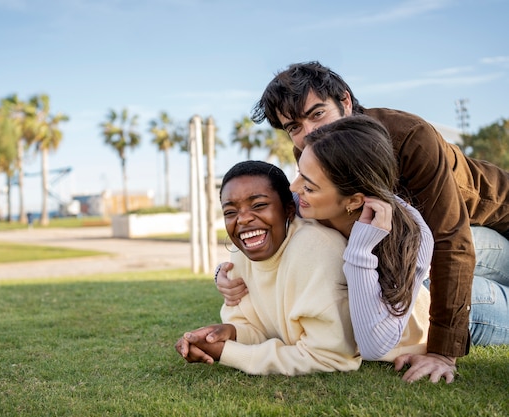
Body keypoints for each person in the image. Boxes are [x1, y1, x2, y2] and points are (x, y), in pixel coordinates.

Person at [215, 61, 509, 383]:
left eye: (317, 114)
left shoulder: (410, 137)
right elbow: (288, 220)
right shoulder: (313, 152)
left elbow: (451, 241)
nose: (308, 133)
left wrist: (442, 350)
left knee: (425, 278)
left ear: (345, 102)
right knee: (407, 276)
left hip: (490, 219)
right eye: (294, 127)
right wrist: (229, 272)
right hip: (418, 237)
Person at [175, 160, 361, 375]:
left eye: (259, 205)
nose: (243, 219)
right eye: (230, 212)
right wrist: (229, 333)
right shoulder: (240, 253)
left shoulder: (314, 248)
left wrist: (228, 353)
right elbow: (261, 330)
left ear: (289, 210)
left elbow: (332, 357)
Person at [289, 115, 434, 364]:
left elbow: (373, 346)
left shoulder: (412, 237)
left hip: (432, 304)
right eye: (299, 173)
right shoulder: (298, 203)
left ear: (354, 201)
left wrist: (361, 249)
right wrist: (223, 273)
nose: (294, 187)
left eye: (310, 187)